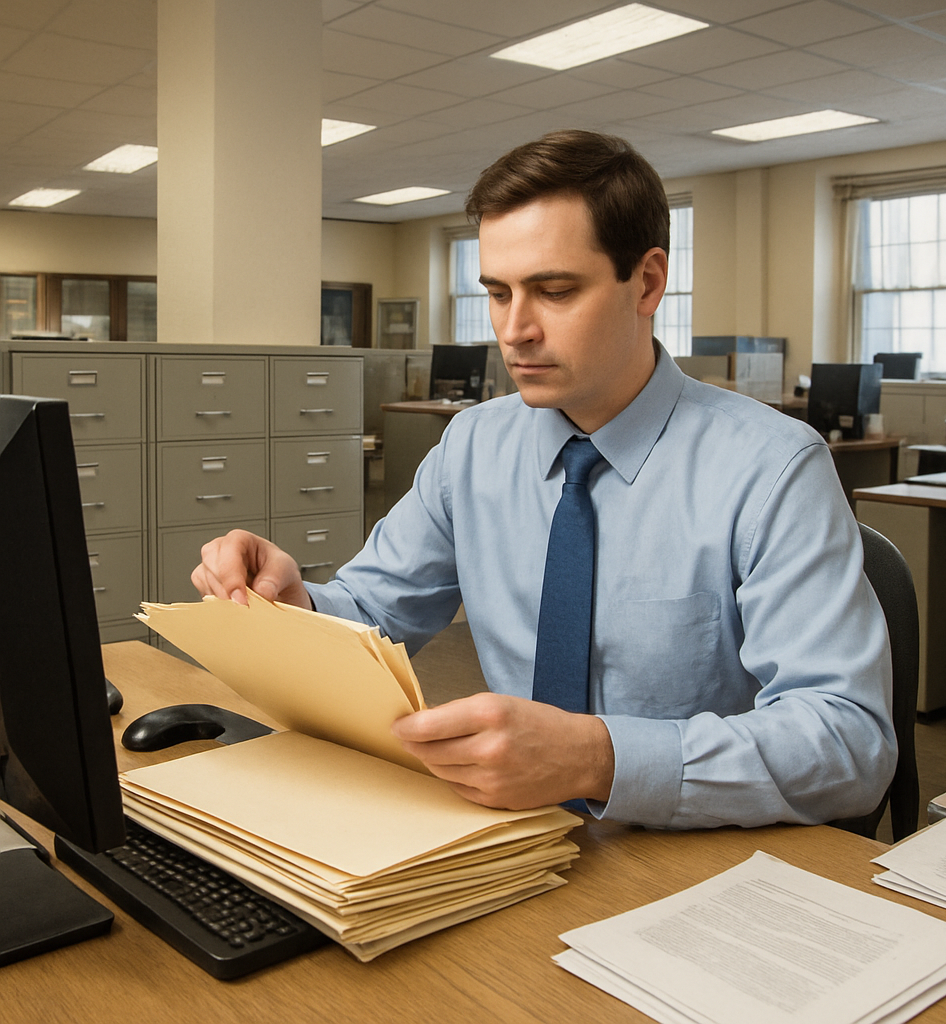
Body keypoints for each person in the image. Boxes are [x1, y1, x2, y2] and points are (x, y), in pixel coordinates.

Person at [193, 130, 896, 830]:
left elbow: (848, 742)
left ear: (647, 282)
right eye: (498, 293)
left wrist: (599, 759)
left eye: (554, 291)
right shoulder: (472, 446)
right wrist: (298, 605)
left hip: (703, 853)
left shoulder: (771, 467)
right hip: (522, 837)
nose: (514, 329)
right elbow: (373, 610)